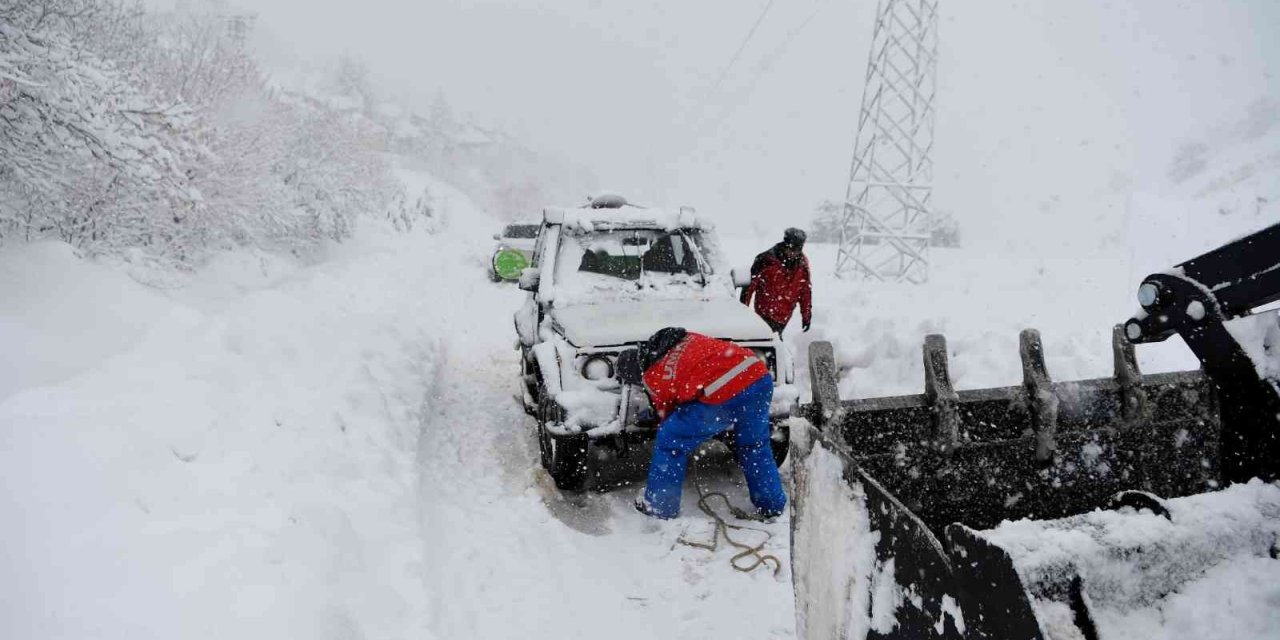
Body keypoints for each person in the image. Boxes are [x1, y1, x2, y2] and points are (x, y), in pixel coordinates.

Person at [616, 327, 787, 520]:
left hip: (724, 391)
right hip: (756, 376)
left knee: (670, 440)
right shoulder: (683, 339)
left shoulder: (651, 374)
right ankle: (771, 504)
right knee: (754, 445)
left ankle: (659, 506)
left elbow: (666, 413)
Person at [739, 227, 812, 335]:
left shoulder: (802, 265)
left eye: (797, 250)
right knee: (767, 345)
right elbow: (749, 288)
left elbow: (805, 291)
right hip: (764, 314)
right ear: (785, 244)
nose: (793, 253)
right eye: (791, 249)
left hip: (784, 316)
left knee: (775, 343)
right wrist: (743, 313)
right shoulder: (765, 260)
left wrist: (806, 316)